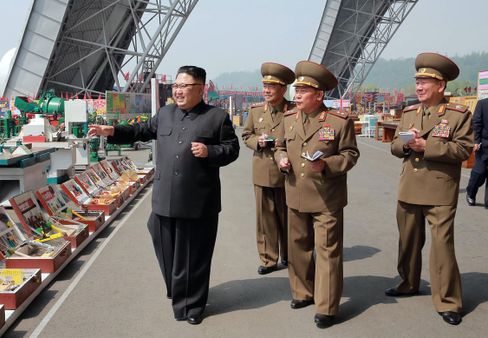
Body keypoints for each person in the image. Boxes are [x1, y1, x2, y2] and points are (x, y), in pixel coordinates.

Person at [88, 65, 240, 325]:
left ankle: (192, 306)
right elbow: (141, 131)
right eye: (176, 86)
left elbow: (232, 149)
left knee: (194, 255)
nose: (179, 91)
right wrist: (112, 131)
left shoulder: (217, 118)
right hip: (164, 199)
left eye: (185, 87)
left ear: (201, 89)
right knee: (165, 246)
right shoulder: (165, 114)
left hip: (197, 201)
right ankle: (179, 288)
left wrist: (209, 151)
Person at [387, 52, 473, 326]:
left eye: (426, 82)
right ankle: (408, 283)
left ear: (441, 86)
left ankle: (448, 300)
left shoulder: (458, 115)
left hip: (439, 191)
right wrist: (405, 144)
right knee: (408, 242)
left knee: (442, 247)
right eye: (418, 81)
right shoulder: (409, 113)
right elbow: (394, 147)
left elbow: (464, 149)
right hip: (409, 187)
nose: (419, 86)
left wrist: (428, 147)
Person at [274, 61, 359, 328]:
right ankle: (302, 292)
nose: (296, 95)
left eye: (302, 91)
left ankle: (327, 306)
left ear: (319, 95)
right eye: (296, 90)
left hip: (326, 198)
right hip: (295, 194)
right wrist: (281, 158)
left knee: (327, 252)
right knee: (297, 248)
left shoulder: (338, 121)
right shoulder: (288, 118)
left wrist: (327, 165)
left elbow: (350, 155)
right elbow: (278, 146)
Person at [242, 62, 295, 275]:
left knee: (289, 217)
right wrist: (258, 141)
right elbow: (246, 135)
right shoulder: (255, 112)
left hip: (287, 172)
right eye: (264, 86)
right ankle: (268, 259)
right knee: (265, 219)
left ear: (283, 89)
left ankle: (291, 256)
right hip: (262, 171)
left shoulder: (293, 111)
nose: (266, 90)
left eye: (271, 87)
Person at [465, 97, 488, 208]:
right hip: (483, 145)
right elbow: (476, 124)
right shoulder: (482, 104)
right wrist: (476, 141)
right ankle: (471, 192)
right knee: (480, 172)